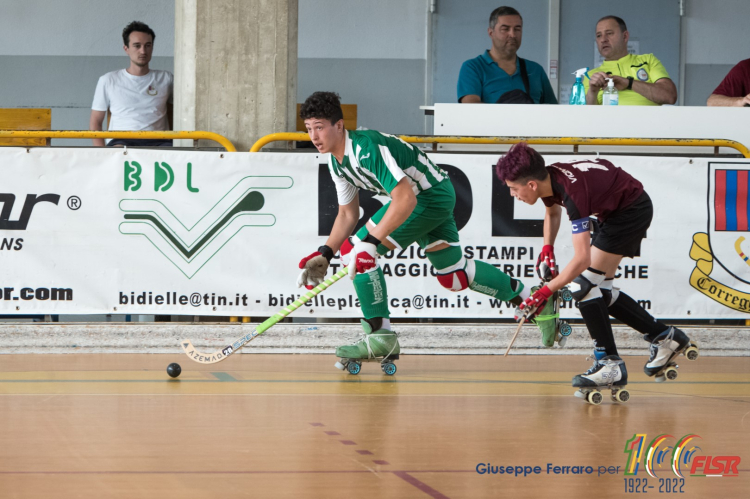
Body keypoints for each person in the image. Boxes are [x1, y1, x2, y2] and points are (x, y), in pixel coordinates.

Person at [297, 91, 530, 371]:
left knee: (357, 252)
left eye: (319, 127)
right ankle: (533, 298)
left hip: (426, 197)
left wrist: (369, 242)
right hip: (434, 194)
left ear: (339, 125)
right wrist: (326, 252)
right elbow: (348, 213)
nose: (314, 136)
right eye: (309, 129)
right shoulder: (337, 162)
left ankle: (380, 336)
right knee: (454, 277)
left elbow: (406, 199)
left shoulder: (365, 149)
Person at [495, 143, 697, 400]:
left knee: (583, 285)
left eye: (514, 189)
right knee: (601, 292)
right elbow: (552, 211)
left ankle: (609, 364)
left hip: (629, 212)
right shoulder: (550, 177)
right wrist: (547, 246)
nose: (513, 194)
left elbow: (581, 259)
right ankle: (666, 337)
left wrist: (545, 291)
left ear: (531, 184)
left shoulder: (573, 193)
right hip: (617, 211)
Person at [89, 21, 173, 147]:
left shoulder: (166, 78)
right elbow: (95, 121)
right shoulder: (108, 80)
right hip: (121, 141)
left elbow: (180, 114)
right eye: (137, 46)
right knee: (118, 155)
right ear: (126, 49)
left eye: (148, 45)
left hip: (159, 141)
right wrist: (102, 155)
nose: (143, 51)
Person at [457, 6, 557, 104]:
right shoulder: (473, 67)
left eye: (517, 29)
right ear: (491, 33)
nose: (513, 35)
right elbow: (471, 109)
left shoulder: (536, 70)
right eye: (505, 29)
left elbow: (554, 112)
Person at [584, 16, 677, 106]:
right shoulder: (591, 77)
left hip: (648, 121)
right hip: (610, 122)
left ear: (625, 36)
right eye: (599, 35)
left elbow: (670, 96)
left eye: (609, 33)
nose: (603, 40)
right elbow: (587, 117)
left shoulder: (648, 61)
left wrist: (629, 83)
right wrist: (593, 91)